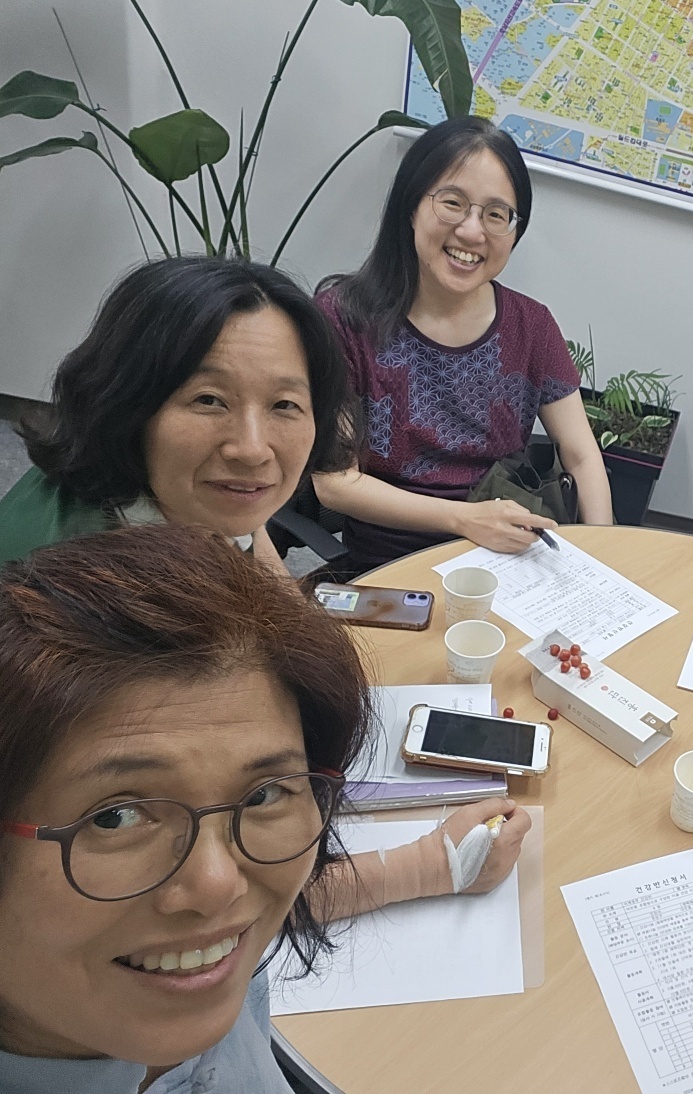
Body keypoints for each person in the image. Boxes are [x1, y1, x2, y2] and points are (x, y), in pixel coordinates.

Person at [0, 524, 527, 1090]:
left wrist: (433, 866)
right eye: (116, 817)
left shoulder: (197, 956)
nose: (218, 886)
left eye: (264, 794)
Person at [313, 117, 613, 574]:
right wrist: (464, 519)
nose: (473, 232)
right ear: (411, 205)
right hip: (393, 563)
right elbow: (335, 482)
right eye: (453, 203)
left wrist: (605, 558)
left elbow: (582, 456)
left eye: (496, 214)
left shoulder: (532, 325)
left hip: (508, 561)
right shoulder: (344, 318)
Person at [0, 257, 357, 574]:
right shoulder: (92, 586)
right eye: (209, 400)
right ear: (126, 405)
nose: (253, 450)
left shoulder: (177, 493)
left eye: (284, 405)